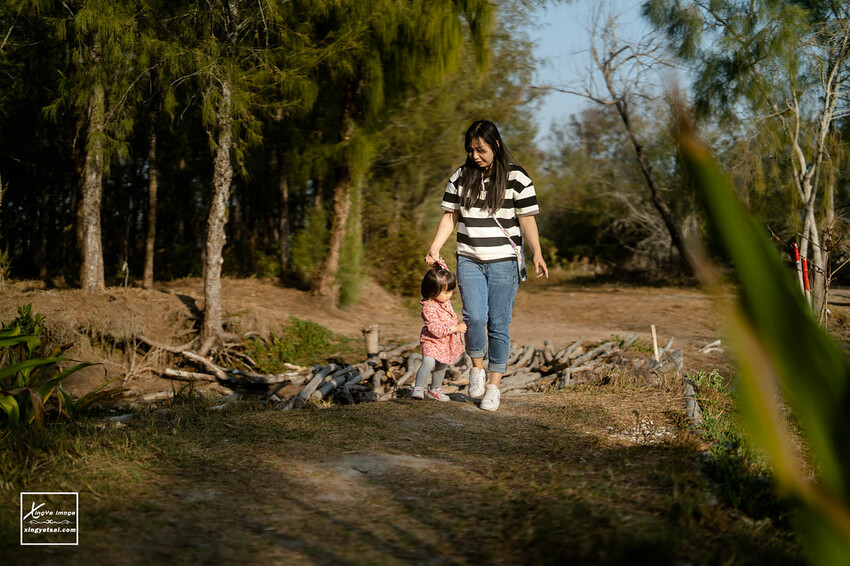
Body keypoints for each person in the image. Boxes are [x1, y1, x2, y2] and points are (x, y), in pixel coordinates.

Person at [425, 119, 548, 412]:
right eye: (470, 150)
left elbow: (527, 219)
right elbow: (450, 217)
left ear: (495, 145)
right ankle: (476, 368)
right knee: (475, 318)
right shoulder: (460, 176)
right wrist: (435, 245)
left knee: (499, 323)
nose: (475, 156)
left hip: (505, 261)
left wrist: (537, 253)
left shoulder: (517, 177)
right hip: (469, 258)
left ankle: (494, 386)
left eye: (480, 150)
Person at [411, 258, 467, 401]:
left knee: (442, 365)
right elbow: (434, 328)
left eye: (450, 291)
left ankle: (435, 389)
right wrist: (454, 327)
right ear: (432, 290)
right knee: (429, 361)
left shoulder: (444, 300)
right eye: (445, 292)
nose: (449, 295)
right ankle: (418, 387)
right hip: (432, 340)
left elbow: (444, 273)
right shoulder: (428, 307)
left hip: (446, 342)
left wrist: (437, 260)